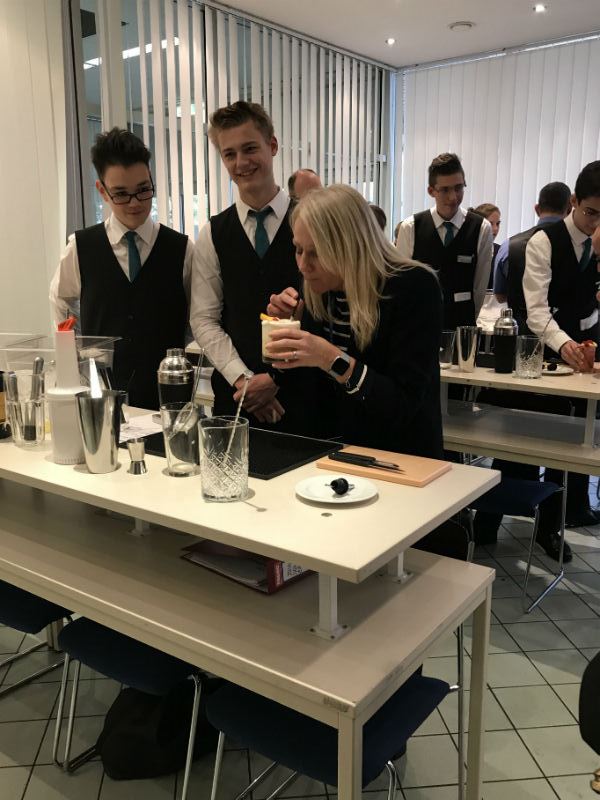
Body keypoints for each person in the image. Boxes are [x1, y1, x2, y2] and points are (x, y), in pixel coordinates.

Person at [265, 184, 444, 460]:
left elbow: (402, 405)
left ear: (350, 247)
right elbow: (305, 394)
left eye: (316, 253)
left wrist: (330, 358)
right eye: (298, 249)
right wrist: (286, 337)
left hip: (401, 460)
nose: (302, 265)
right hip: (332, 456)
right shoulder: (319, 290)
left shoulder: (413, 287)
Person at [190, 102, 326, 435]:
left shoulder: (314, 223)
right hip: (238, 401)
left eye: (250, 148)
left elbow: (331, 312)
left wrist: (276, 380)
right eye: (229, 154)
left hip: (308, 397)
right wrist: (246, 381)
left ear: (272, 145)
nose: (241, 162)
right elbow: (204, 320)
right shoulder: (213, 233)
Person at [50, 127, 192, 410]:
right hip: (101, 397)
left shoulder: (182, 249)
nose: (135, 203)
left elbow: (195, 319)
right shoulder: (81, 247)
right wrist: (78, 355)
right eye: (121, 194)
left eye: (143, 190)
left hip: (167, 399)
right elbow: (60, 301)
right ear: (102, 191)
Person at [396, 153, 493, 329]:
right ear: (431, 191)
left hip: (462, 326)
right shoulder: (410, 227)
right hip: (419, 325)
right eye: (445, 190)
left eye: (458, 188)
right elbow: (402, 284)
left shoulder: (481, 228)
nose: (453, 197)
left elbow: (479, 287)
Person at [495, 182, 571, 307]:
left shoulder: (508, 246)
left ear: (537, 209)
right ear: (569, 209)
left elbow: (500, 296)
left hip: (521, 318)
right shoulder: (583, 247)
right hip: (566, 319)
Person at [470, 203, 501, 289]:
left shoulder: (500, 251)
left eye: (498, 224)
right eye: (490, 223)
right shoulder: (467, 249)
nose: (495, 229)